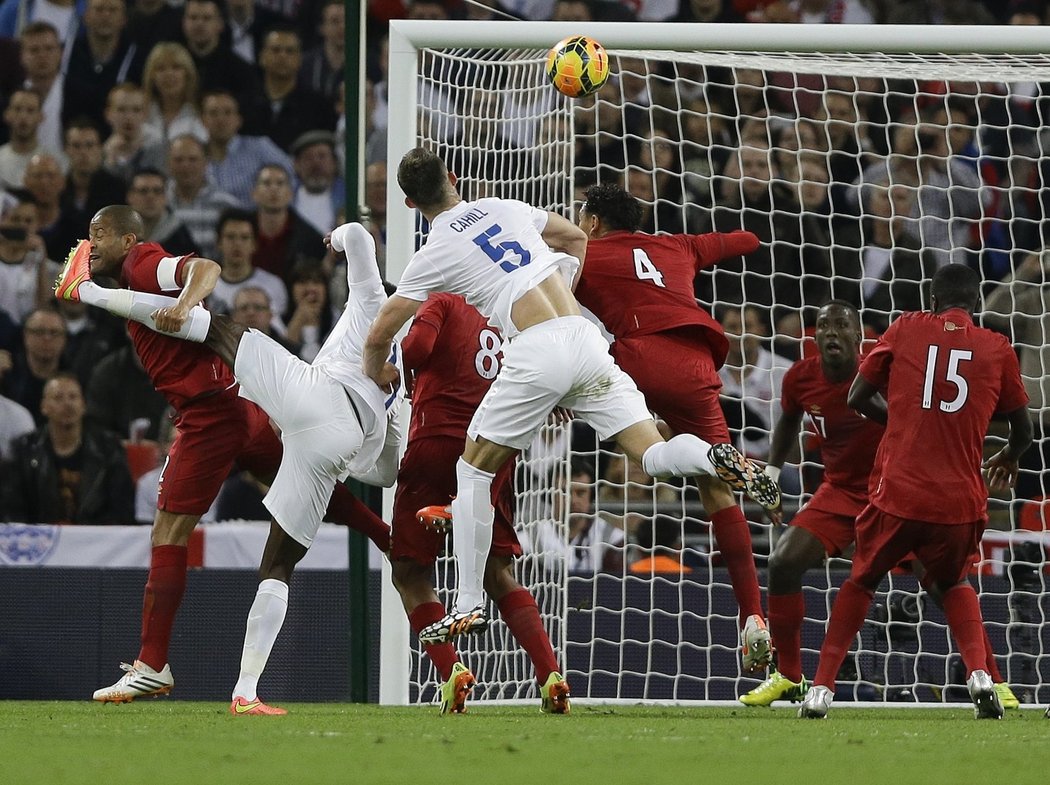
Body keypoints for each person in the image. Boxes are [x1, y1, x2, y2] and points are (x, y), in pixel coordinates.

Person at [364, 147, 780, 647]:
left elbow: (381, 329)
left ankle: (469, 601)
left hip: (536, 350)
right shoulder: (502, 206)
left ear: (409, 204)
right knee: (653, 457)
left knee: (471, 471)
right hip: (584, 341)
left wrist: (377, 366)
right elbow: (574, 235)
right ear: (455, 177)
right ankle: (713, 456)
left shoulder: (431, 254)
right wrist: (570, 280)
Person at [53, 206, 392, 708]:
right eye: (86, 233)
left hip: (208, 418)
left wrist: (186, 301)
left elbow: (205, 270)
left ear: (128, 238)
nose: (89, 243)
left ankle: (151, 665)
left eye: (99, 233)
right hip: (239, 405)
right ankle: (388, 536)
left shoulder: (145, 263)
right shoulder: (132, 273)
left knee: (168, 533)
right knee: (303, 470)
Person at [739, 300, 1018, 709]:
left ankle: (994, 680)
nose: (831, 333)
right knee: (783, 562)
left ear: (859, 337)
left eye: (840, 326)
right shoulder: (800, 377)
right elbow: (787, 421)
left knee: (945, 585)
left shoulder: (887, 368)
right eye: (823, 326)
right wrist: (772, 473)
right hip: (840, 493)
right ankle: (790, 676)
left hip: (895, 492)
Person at [798, 264, 1033, 720]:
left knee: (863, 579)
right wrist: (1008, 456)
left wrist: (903, 423)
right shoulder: (997, 348)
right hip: (960, 499)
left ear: (931, 300)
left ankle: (822, 688)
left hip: (899, 492)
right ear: (978, 305)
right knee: (954, 580)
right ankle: (979, 674)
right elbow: (1023, 430)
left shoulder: (906, 328)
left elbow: (857, 396)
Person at [574, 182, 776, 667]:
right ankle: (752, 614)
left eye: (580, 218)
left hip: (635, 358)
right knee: (717, 491)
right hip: (696, 363)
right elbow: (743, 241)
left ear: (594, 223)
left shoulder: (584, 256)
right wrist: (749, 234)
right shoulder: (677, 246)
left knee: (646, 455)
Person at [391, 291, 570, 714]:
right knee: (497, 570)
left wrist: (396, 365)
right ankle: (550, 675)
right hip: (493, 448)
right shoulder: (514, 303)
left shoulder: (444, 298)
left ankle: (452, 670)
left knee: (409, 573)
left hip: (436, 442)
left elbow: (415, 347)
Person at [3, 371, 134, 523]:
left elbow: (123, 509)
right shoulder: (24, 450)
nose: (67, 404)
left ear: (84, 405)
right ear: (44, 406)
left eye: (73, 397)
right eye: (58, 398)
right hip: (42, 541)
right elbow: (12, 509)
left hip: (96, 541)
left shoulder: (109, 448)